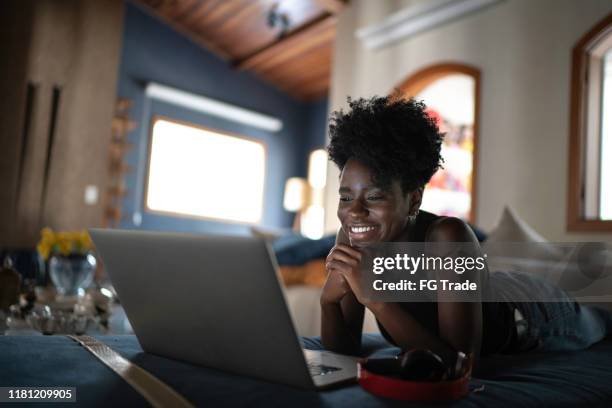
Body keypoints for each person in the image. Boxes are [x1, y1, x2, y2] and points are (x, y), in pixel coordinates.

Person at [314, 95, 611, 367]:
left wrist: (374, 297)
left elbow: (461, 363)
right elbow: (344, 350)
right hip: (486, 286)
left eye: (375, 196)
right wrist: (328, 303)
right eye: (345, 197)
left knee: (602, 322)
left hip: (535, 313)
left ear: (414, 199)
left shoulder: (448, 237)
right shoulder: (354, 238)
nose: (354, 212)